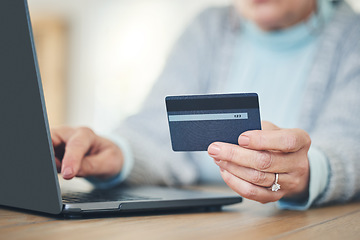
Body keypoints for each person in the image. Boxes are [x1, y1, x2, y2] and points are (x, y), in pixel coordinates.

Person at [52, 0, 360, 210]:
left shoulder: (352, 37)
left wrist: (310, 173)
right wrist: (120, 153)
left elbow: (350, 143)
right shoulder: (207, 28)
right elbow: (155, 129)